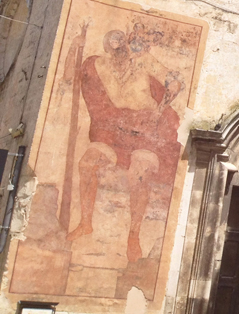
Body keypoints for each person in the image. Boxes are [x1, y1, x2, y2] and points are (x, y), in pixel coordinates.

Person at [65, 21, 184, 263]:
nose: (119, 43)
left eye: (122, 39)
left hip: (144, 126)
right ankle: (86, 223)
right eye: (114, 39)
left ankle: (133, 235)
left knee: (138, 174)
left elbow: (174, 82)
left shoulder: (144, 61)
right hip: (112, 127)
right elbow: (69, 78)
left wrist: (163, 103)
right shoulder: (97, 64)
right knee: (86, 164)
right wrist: (73, 48)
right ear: (107, 45)